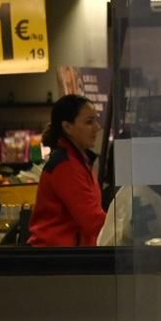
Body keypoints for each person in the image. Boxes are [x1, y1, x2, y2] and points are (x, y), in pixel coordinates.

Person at [29, 95, 106, 247]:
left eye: (96, 121)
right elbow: (92, 220)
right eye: (89, 122)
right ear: (67, 127)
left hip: (70, 254)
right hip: (58, 256)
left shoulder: (80, 161)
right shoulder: (65, 166)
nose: (97, 127)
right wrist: (128, 227)